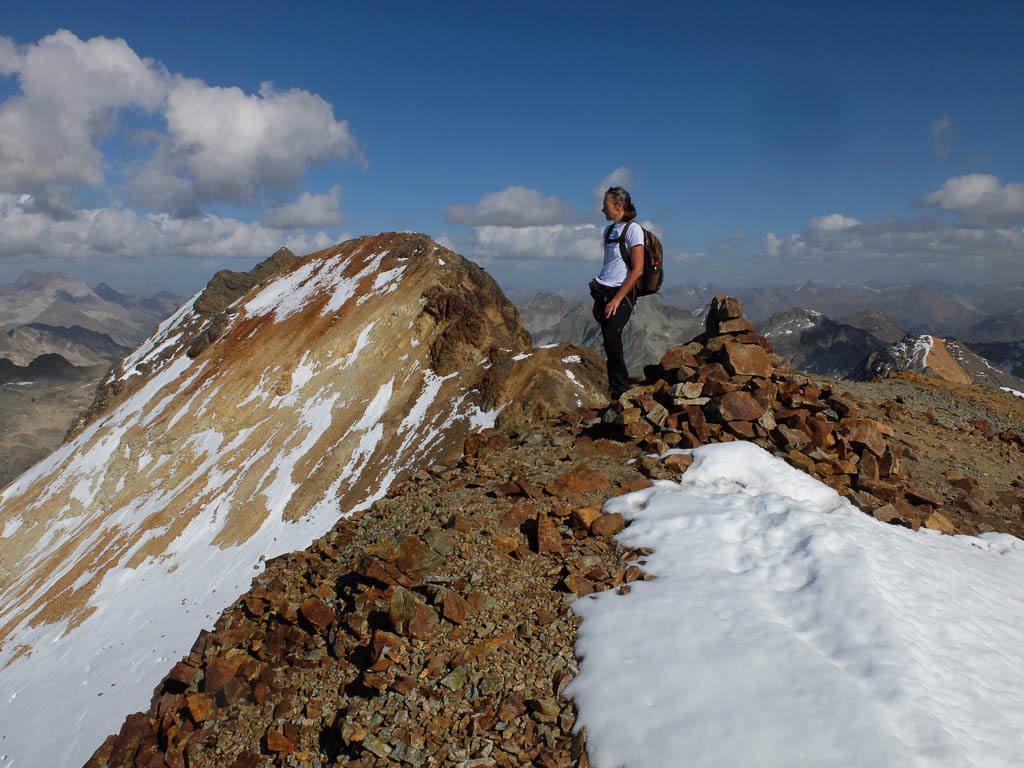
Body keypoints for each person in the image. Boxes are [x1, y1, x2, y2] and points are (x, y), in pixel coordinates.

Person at [590, 186, 644, 400]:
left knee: (612, 337)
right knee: (608, 339)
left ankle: (621, 389)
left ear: (618, 206)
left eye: (606, 206)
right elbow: (610, 264)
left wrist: (617, 298)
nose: (603, 211)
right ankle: (616, 389)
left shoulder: (633, 229)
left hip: (620, 293)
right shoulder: (608, 231)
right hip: (603, 291)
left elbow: (638, 269)